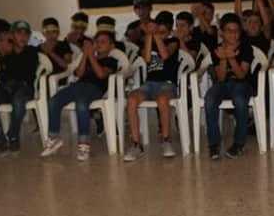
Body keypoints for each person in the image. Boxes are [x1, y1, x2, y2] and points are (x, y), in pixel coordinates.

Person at [41, 31, 119, 162]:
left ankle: (84, 144)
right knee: (53, 101)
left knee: (81, 104)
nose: (99, 44)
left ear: (111, 46)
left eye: (103, 42)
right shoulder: (88, 58)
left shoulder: (111, 61)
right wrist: (85, 55)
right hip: (77, 86)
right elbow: (78, 74)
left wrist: (91, 56)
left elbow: (101, 74)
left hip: (94, 89)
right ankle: (54, 138)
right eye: (97, 41)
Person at [124, 11, 181, 161]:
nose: (159, 34)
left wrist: (155, 34)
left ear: (169, 32)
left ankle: (166, 140)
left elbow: (165, 55)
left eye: (163, 32)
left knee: (162, 100)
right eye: (157, 31)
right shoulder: (149, 41)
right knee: (131, 100)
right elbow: (147, 59)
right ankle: (136, 144)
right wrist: (149, 35)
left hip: (167, 84)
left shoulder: (173, 42)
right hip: (149, 84)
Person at [0, 21, 40, 154]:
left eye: (26, 34)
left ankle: (13, 134)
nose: (23, 37)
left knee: (18, 103)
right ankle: (0, 138)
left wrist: (9, 51)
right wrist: (4, 53)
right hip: (5, 88)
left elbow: (26, 73)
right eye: (19, 33)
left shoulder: (32, 51)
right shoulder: (5, 51)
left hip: (23, 88)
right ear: (12, 35)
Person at [204, 14, 254, 160]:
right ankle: (214, 144)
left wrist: (231, 58)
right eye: (229, 30)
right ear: (222, 33)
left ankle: (239, 143)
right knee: (210, 99)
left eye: (236, 30)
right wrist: (223, 58)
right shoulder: (217, 49)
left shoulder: (246, 48)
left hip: (243, 84)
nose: (233, 34)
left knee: (239, 99)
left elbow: (241, 75)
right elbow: (220, 78)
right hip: (223, 84)